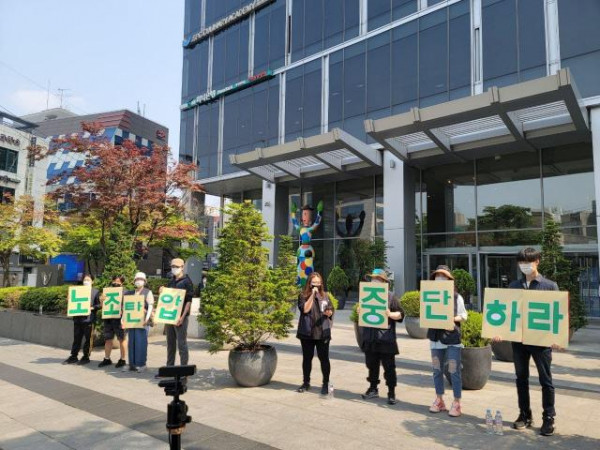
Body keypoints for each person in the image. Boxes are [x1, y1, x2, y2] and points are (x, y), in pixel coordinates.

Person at [492, 247, 560, 436]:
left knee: (546, 380)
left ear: (537, 261)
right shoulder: (514, 285)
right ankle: (525, 414)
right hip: (519, 341)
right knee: (521, 379)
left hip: (541, 342)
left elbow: (558, 314)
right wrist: (499, 331)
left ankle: (549, 417)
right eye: (521, 263)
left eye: (528, 262)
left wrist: (556, 337)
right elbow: (507, 313)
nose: (524, 266)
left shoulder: (549, 286)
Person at [359, 269, 404, 405]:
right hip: (370, 337)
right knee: (371, 365)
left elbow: (401, 314)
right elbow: (362, 313)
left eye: (378, 279)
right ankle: (373, 388)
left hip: (386, 338)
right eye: (373, 279)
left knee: (389, 367)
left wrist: (391, 314)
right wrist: (360, 311)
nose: (375, 281)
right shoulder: (366, 295)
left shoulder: (391, 297)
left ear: (384, 282)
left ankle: (391, 392)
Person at [427, 265, 467, 417]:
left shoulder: (456, 296)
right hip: (435, 339)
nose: (440, 279)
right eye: (438, 276)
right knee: (436, 370)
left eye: (444, 276)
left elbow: (464, 315)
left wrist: (452, 319)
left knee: (453, 370)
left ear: (450, 279)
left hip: (452, 339)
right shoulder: (429, 295)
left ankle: (457, 402)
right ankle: (439, 399)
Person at [295, 272, 334, 395]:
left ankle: (325, 383)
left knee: (324, 359)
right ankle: (306, 382)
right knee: (307, 358)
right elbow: (305, 309)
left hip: (322, 332)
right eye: (314, 283)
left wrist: (329, 313)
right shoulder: (303, 295)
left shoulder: (326, 296)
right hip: (307, 332)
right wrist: (312, 295)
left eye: (318, 282)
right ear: (309, 283)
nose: (316, 285)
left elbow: (331, 310)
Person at [63, 274, 101, 365]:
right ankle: (73, 356)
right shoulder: (77, 290)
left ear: (92, 281)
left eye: (88, 280)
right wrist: (69, 300)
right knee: (77, 338)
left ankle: (86, 356)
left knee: (88, 339)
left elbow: (99, 305)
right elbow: (73, 302)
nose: (86, 281)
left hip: (88, 320)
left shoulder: (95, 292)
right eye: (85, 280)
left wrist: (91, 308)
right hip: (77, 318)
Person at [164, 258, 194, 367]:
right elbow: (166, 297)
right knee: (170, 344)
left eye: (176, 267)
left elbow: (189, 301)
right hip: (169, 316)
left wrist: (182, 317)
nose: (174, 269)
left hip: (181, 317)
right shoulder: (171, 280)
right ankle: (169, 367)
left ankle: (183, 369)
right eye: (172, 266)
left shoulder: (186, 281)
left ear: (182, 267)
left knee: (182, 344)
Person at [124, 272, 154, 373]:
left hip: (142, 322)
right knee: (131, 342)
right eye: (137, 279)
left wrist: (147, 318)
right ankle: (132, 364)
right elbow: (125, 307)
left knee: (141, 343)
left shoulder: (147, 292)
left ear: (144, 281)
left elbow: (150, 305)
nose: (138, 281)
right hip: (132, 321)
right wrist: (123, 319)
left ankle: (142, 364)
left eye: (141, 279)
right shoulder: (130, 293)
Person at [98, 275, 127, 369]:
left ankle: (122, 359)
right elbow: (103, 306)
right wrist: (101, 301)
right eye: (114, 282)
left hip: (120, 319)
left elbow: (129, 306)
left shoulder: (125, 292)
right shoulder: (107, 292)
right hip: (108, 319)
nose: (115, 284)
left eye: (118, 283)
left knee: (122, 339)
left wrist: (123, 311)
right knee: (108, 339)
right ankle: (107, 358)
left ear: (122, 283)